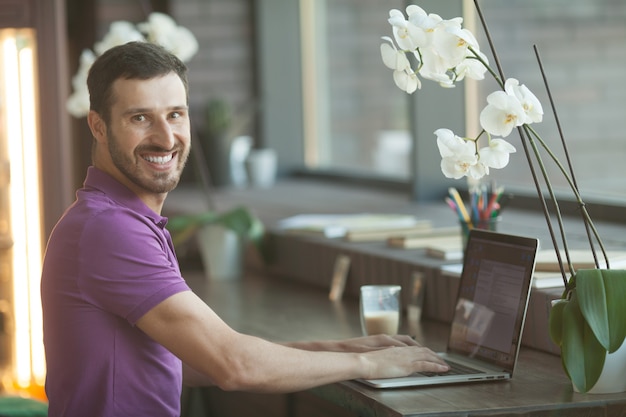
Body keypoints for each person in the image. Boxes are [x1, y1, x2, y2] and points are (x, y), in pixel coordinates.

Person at [41, 41, 448, 417]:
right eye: (140, 118)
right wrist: (369, 364)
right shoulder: (110, 229)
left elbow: (184, 360)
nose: (166, 138)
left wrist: (340, 348)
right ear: (98, 126)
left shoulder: (118, 217)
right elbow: (234, 365)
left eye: (175, 115)